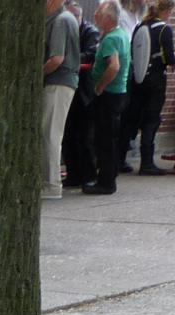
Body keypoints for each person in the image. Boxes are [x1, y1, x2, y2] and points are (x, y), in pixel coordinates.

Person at [85, 2, 132, 192]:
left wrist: (100, 87)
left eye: (98, 13)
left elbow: (114, 66)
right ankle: (109, 175)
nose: (95, 16)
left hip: (109, 94)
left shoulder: (111, 39)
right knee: (111, 137)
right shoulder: (121, 35)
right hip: (119, 92)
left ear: (108, 18)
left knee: (104, 139)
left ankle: (105, 182)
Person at [128, 0, 175, 173]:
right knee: (151, 119)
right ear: (166, 11)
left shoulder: (140, 26)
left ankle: (120, 158)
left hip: (138, 79)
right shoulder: (164, 29)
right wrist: (174, 60)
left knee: (133, 118)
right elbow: (170, 58)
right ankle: (147, 163)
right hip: (156, 80)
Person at [44, 0, 83, 199]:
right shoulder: (67, 18)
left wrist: (38, 73)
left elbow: (56, 58)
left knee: (50, 134)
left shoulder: (60, 21)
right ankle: (50, 182)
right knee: (52, 133)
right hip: (64, 81)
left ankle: (51, 184)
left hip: (57, 82)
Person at [63, 3, 103, 189]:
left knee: (85, 135)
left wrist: (67, 59)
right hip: (72, 87)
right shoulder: (66, 30)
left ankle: (88, 174)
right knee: (69, 134)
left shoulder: (90, 32)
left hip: (84, 91)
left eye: (74, 17)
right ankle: (73, 173)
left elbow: (90, 54)